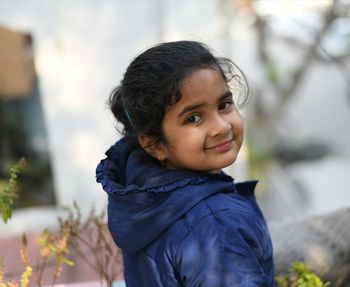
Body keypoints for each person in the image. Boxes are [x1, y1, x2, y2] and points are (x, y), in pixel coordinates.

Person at [96, 41, 275, 286]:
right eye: (193, 118)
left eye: (224, 105)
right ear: (155, 145)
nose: (221, 127)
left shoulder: (145, 203)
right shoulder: (216, 223)